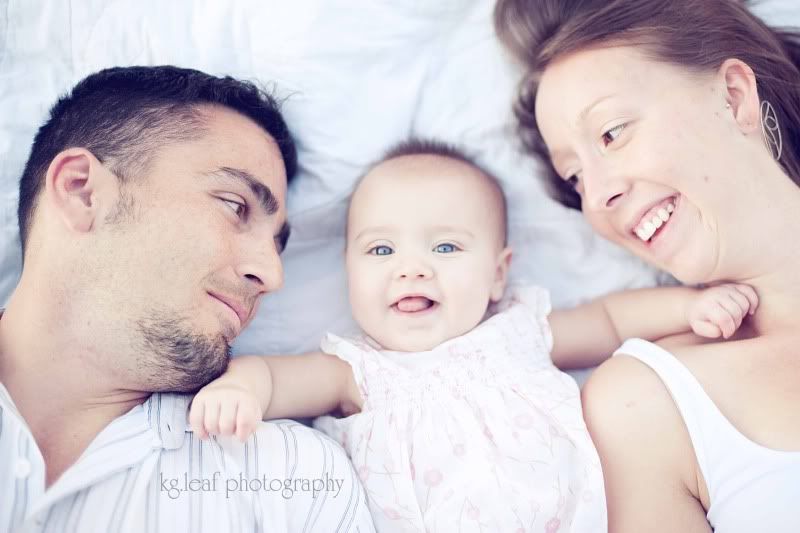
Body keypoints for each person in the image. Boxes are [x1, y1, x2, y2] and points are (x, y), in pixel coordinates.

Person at [190, 139, 758, 532]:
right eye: (381, 250)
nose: (410, 269)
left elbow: (611, 321)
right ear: (348, 270)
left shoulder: (519, 332)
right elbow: (269, 373)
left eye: (445, 247)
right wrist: (239, 392)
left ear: (497, 274)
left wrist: (691, 305)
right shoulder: (357, 371)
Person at [0, 65, 374, 532]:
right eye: (235, 205)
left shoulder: (293, 482)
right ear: (82, 192)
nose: (273, 276)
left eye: (278, 245)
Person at [494, 0, 800, 531]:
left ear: (734, 97)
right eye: (575, 178)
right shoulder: (649, 403)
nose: (597, 199)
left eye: (612, 133)